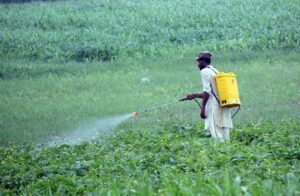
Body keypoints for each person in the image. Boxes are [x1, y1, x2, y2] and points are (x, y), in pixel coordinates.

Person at [186, 51, 233, 142]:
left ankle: (220, 151)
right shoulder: (215, 71)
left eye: (199, 62)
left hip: (214, 105)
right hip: (222, 103)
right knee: (223, 130)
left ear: (203, 61)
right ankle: (226, 149)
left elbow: (207, 92)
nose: (198, 64)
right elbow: (211, 91)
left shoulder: (204, 71)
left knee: (216, 131)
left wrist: (203, 108)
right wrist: (194, 95)